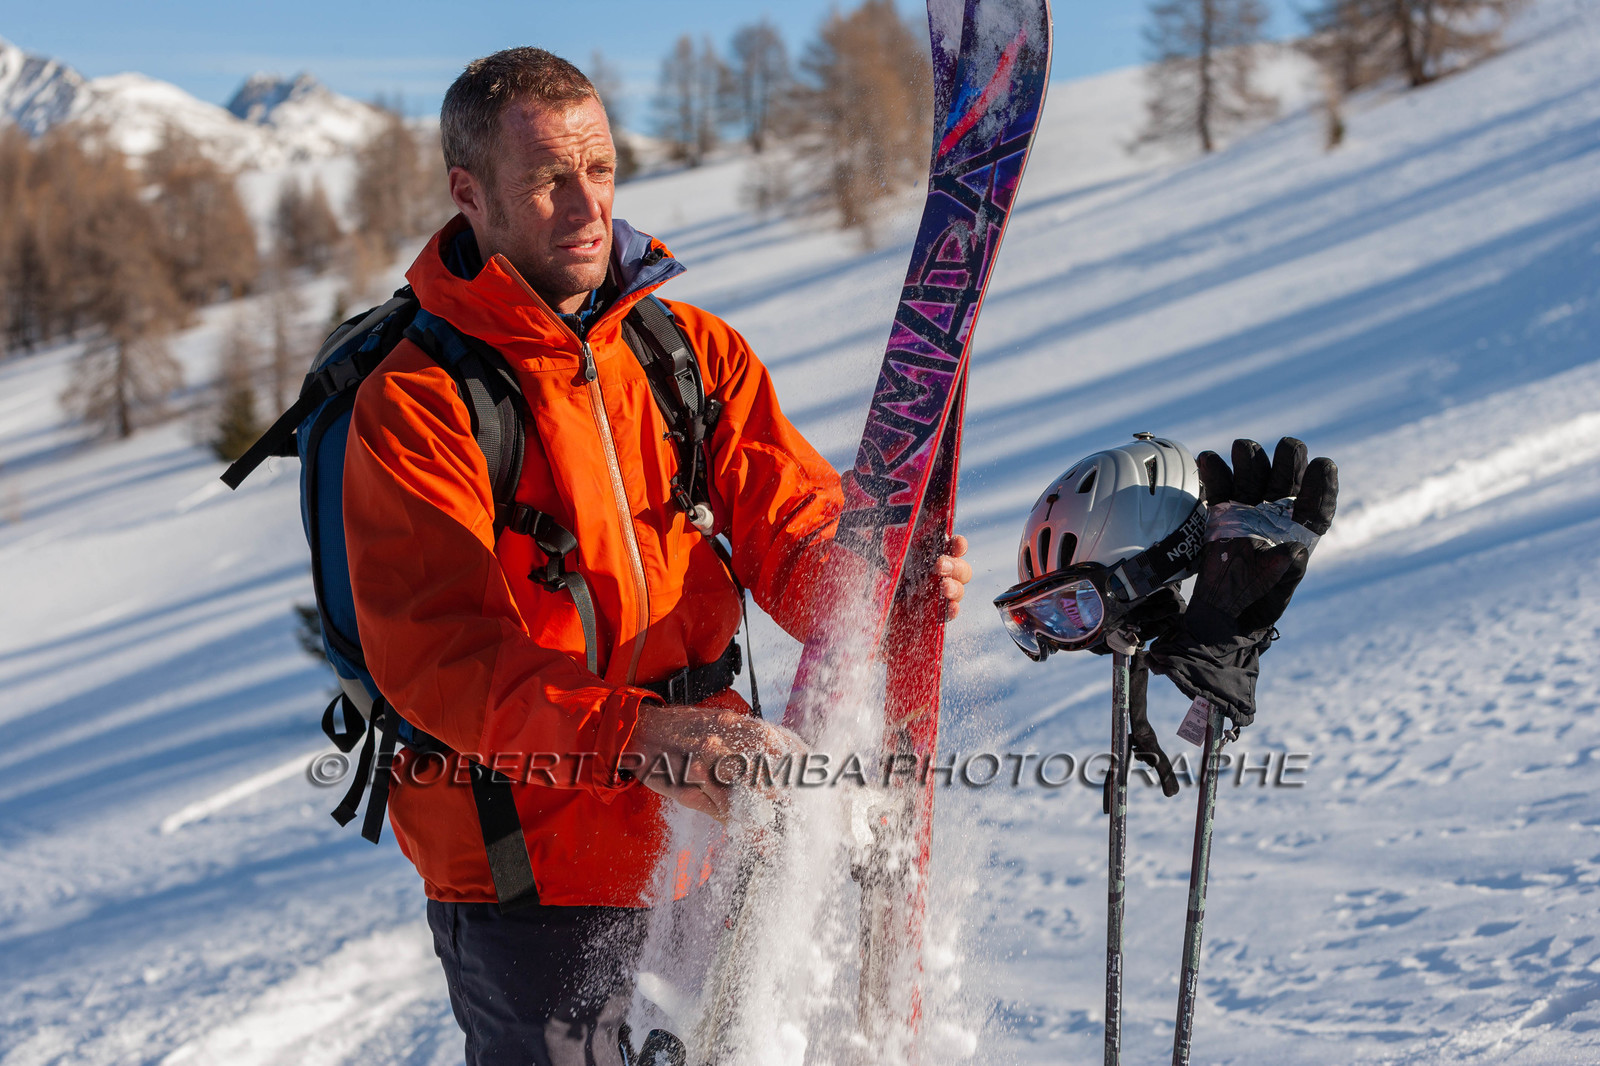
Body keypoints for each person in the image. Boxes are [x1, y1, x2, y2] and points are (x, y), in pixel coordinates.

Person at [341, 48, 973, 1066]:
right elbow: (442, 661)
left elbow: (794, 526)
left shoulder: (688, 354)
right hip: (532, 883)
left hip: (711, 850)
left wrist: (874, 588)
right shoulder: (417, 403)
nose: (587, 205)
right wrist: (644, 738)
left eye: (601, 168)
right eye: (548, 179)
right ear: (471, 196)